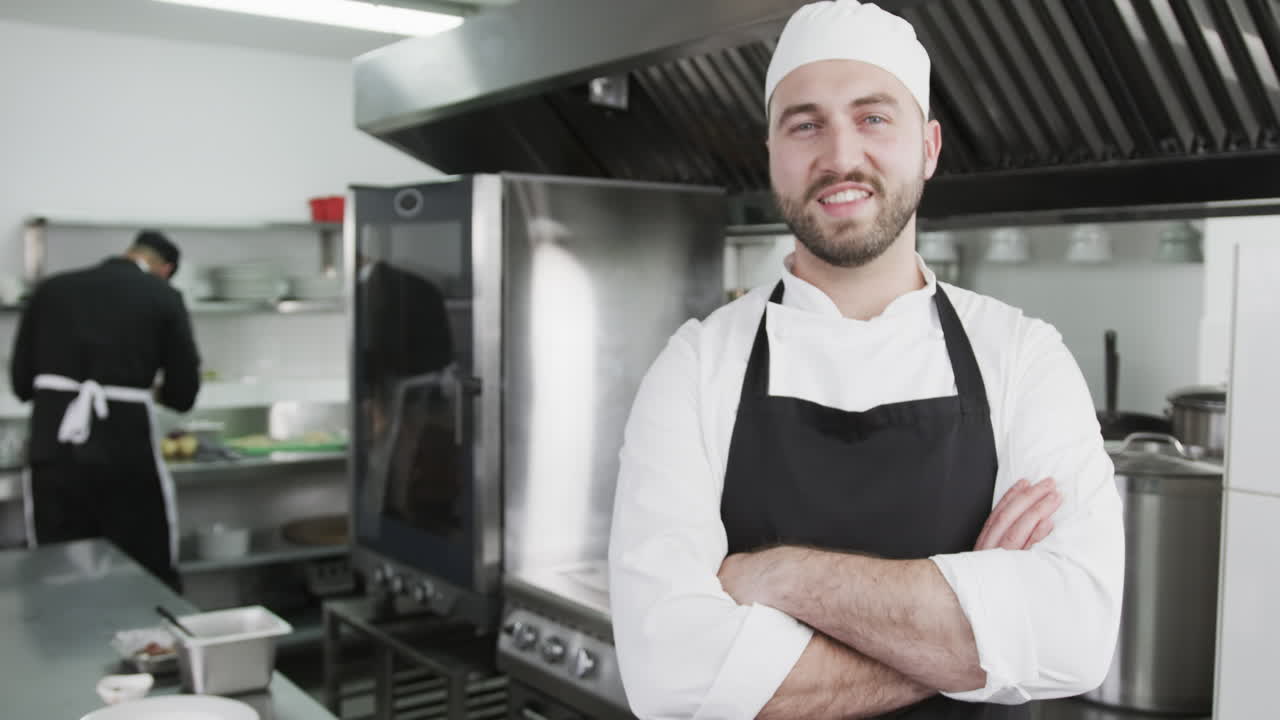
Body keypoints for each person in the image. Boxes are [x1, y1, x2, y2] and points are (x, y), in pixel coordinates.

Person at [608, 2, 1123, 719]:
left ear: (930, 147)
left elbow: (1076, 638)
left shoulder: (1022, 356)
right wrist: (980, 633)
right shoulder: (697, 366)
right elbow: (670, 678)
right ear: (772, 154)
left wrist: (780, 575)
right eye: (806, 123)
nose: (841, 156)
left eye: (874, 117)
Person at [9, 230, 201, 590]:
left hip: (55, 437)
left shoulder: (51, 289)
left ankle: (65, 643)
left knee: (57, 561)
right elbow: (183, 392)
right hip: (125, 441)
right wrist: (155, 390)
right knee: (141, 559)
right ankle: (149, 641)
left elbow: (21, 382)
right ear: (165, 268)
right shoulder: (163, 295)